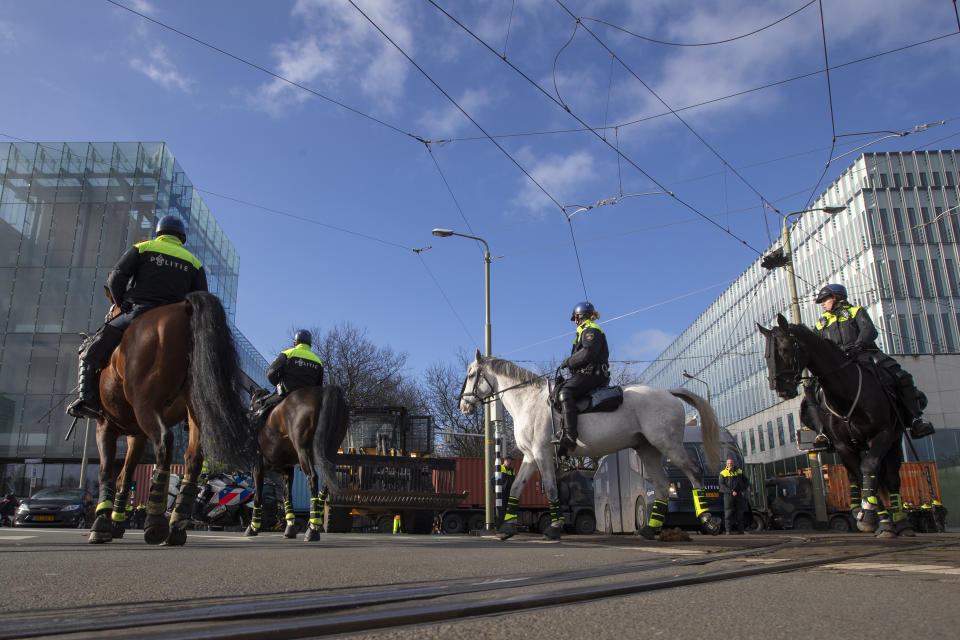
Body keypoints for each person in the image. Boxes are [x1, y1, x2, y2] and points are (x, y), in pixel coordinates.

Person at [66, 215, 207, 419]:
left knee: (89, 349)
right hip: (178, 321)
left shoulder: (143, 248)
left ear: (159, 233)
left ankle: (88, 400)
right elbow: (202, 300)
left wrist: (121, 301)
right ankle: (196, 411)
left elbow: (116, 276)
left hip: (140, 312)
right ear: (181, 237)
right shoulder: (194, 263)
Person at [810, 283, 934, 440]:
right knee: (811, 389)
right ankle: (822, 433)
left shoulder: (856, 312)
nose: (822, 303)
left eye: (825, 299)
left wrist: (857, 346)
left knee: (902, 376)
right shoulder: (821, 323)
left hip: (864, 354)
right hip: (837, 364)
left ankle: (916, 420)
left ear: (836, 298)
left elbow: (869, 331)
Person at [552, 302, 610, 454]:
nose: (575, 322)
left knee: (565, 392)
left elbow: (588, 353)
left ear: (579, 317)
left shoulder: (591, 330)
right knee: (559, 389)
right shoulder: (581, 332)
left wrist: (568, 361)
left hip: (594, 374)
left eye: (575, 318)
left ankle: (570, 437)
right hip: (586, 374)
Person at [253, 330, 324, 419]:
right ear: (310, 343)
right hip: (308, 401)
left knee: (259, 406)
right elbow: (319, 387)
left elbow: (270, 373)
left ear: (295, 342)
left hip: (286, 396)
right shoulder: (318, 361)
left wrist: (278, 384)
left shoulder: (287, 353)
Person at [719, 458, 749, 534]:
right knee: (728, 514)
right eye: (728, 463)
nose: (730, 465)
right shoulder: (723, 473)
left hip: (738, 495)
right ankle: (728, 531)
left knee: (740, 513)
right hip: (728, 496)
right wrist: (731, 492)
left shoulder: (739, 472)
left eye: (731, 463)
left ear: (734, 464)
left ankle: (741, 531)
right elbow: (722, 486)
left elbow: (746, 481)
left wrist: (742, 489)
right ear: (726, 464)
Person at [493, 455, 516, 525]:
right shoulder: (500, 468)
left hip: (509, 493)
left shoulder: (512, 470)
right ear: (505, 461)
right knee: (501, 509)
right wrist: (496, 489)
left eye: (511, 460)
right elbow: (494, 479)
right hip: (501, 493)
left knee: (508, 509)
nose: (510, 462)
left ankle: (507, 524)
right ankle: (499, 525)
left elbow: (513, 481)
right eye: (509, 460)